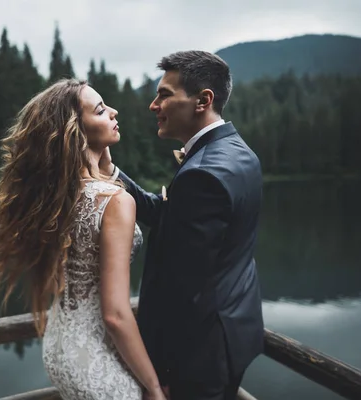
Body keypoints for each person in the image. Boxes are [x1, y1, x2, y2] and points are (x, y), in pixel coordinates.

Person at [0, 79, 166, 400]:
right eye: (100, 110)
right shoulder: (114, 201)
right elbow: (115, 315)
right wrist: (154, 387)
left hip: (60, 348)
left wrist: (107, 168)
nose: (114, 112)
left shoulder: (56, 196)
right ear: (77, 130)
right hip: (93, 355)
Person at [100, 50, 265, 400]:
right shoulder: (239, 152)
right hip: (234, 328)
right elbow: (171, 219)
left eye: (164, 94)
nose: (153, 105)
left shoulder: (203, 173)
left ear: (203, 100)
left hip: (200, 355)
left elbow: (181, 289)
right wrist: (113, 174)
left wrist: (161, 370)